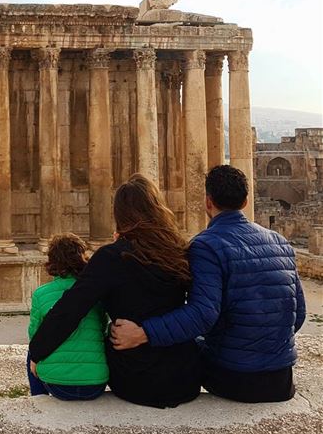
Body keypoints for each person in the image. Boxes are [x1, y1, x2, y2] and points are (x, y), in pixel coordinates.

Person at [110, 165, 306, 403]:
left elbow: (202, 314)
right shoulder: (280, 242)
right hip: (281, 380)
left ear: (208, 202)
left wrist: (144, 334)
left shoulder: (207, 246)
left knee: (175, 354)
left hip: (234, 378)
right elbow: (298, 314)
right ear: (245, 201)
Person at [29, 174, 201, 408]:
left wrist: (37, 352)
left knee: (35, 349)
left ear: (119, 214)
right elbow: (199, 310)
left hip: (136, 381)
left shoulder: (111, 258)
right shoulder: (181, 252)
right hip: (185, 379)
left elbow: (70, 310)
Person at [27, 233, 109, 400]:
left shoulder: (41, 294)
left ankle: (38, 397)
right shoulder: (96, 293)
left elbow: (35, 334)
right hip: (96, 384)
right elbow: (102, 326)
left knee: (32, 350)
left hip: (57, 385)